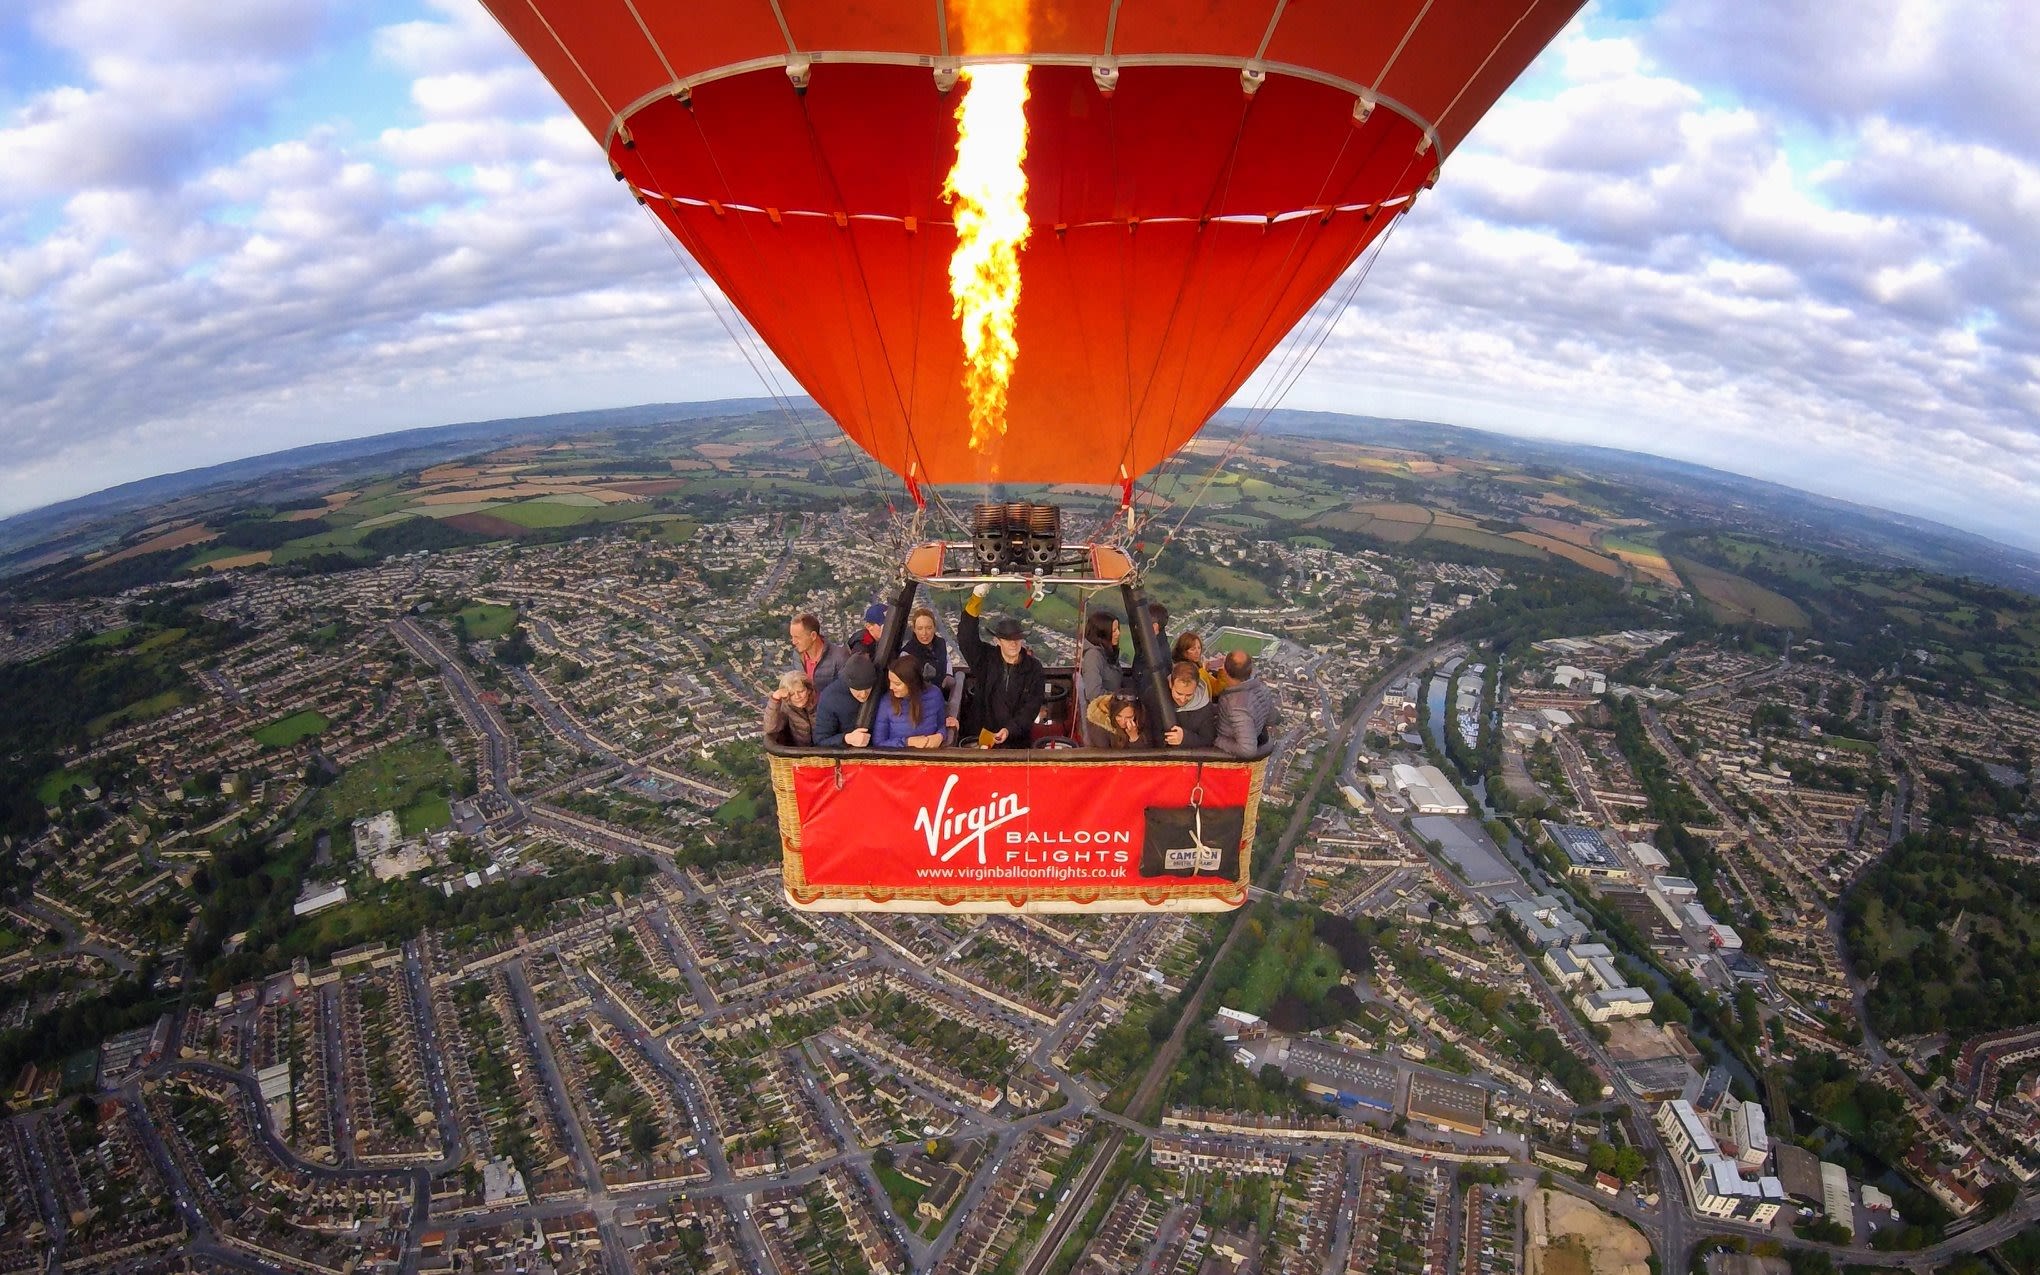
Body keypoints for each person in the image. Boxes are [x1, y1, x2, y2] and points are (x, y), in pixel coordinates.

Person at [953, 585, 1046, 748]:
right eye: (1008, 640)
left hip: (1017, 741)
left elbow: (1031, 707)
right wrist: (976, 598)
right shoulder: (986, 659)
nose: (1014, 644)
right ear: (998, 641)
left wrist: (1009, 730)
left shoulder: (1034, 669)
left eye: (1017, 639)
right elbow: (966, 639)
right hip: (980, 734)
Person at [1213, 650, 1280, 758]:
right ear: (1250, 670)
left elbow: (1247, 750)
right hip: (1250, 733)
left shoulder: (1235, 705)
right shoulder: (1262, 688)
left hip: (1226, 749)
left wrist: (1216, 740)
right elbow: (1272, 719)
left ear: (1225, 671)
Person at [872, 655, 947, 749]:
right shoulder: (886, 702)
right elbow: (878, 742)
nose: (891, 687)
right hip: (899, 760)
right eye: (890, 682)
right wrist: (907, 742)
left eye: (897, 684)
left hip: (930, 757)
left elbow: (942, 724)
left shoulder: (935, 694)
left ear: (912, 683)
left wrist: (940, 736)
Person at [812, 652, 878, 748]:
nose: (863, 694)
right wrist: (847, 739)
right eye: (857, 689)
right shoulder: (830, 697)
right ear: (848, 684)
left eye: (868, 688)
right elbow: (821, 740)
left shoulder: (879, 687)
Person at [1162, 660, 1219, 748]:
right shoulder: (1159, 697)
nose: (1183, 699)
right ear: (1170, 684)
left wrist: (1185, 738)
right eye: (1179, 693)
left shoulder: (1205, 710)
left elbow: (1208, 741)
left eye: (1189, 695)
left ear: (1196, 688)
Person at [789, 612, 848, 695]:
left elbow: (846, 692)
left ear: (813, 636)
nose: (794, 642)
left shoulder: (839, 657)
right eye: (792, 637)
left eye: (797, 637)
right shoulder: (797, 655)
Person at [1078, 609, 1124, 707]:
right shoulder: (1093, 656)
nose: (1118, 633)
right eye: (1114, 630)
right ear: (1102, 633)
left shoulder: (1107, 653)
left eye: (1118, 629)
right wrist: (1121, 699)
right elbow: (1094, 694)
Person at [900, 606, 951, 690]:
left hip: (943, 691)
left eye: (929, 628)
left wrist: (949, 675)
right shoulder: (907, 654)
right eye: (920, 628)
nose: (924, 633)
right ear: (914, 630)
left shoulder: (941, 643)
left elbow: (947, 659)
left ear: (934, 628)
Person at [762, 670, 816, 746]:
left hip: (825, 751)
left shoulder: (821, 703)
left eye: (801, 691)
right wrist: (775, 699)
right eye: (791, 694)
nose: (797, 697)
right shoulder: (786, 707)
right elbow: (770, 728)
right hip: (799, 752)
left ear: (809, 690)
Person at [1085, 691, 1153, 749]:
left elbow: (1146, 756)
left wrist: (1134, 737)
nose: (1123, 721)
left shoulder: (1142, 720)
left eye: (1129, 717)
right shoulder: (1100, 729)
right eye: (1118, 716)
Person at [1127, 602, 1172, 684]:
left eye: (1140, 624)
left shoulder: (1153, 656)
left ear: (1154, 627)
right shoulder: (1154, 644)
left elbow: (1141, 684)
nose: (1136, 627)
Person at [1172, 631, 1223, 697]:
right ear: (1183, 651)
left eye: (1199, 648)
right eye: (1193, 649)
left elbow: (1215, 688)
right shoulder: (1184, 673)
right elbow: (1215, 691)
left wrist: (1223, 670)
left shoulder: (1199, 668)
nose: (1197, 652)